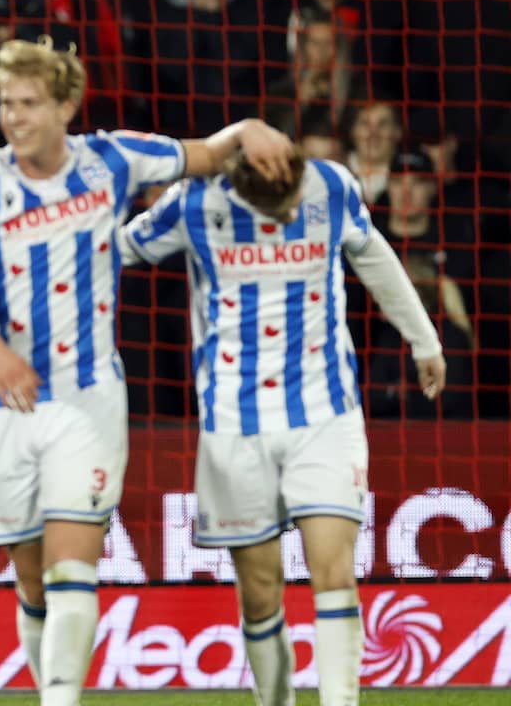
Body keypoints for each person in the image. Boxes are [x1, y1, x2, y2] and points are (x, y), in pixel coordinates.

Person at [0, 36, 293, 706]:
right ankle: (54, 686)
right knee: (32, 580)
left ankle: (60, 702)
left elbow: (207, 155)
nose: (14, 116)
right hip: (6, 402)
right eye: (7, 103)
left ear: (67, 104)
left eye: (30, 103)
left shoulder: (112, 157)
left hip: (90, 395)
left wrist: (250, 128)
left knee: (74, 567)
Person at [119, 150, 445, 704]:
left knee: (334, 573)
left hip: (325, 411)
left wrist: (424, 339)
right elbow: (114, 248)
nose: (289, 210)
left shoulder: (331, 185)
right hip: (232, 424)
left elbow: (374, 256)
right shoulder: (194, 201)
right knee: (261, 591)